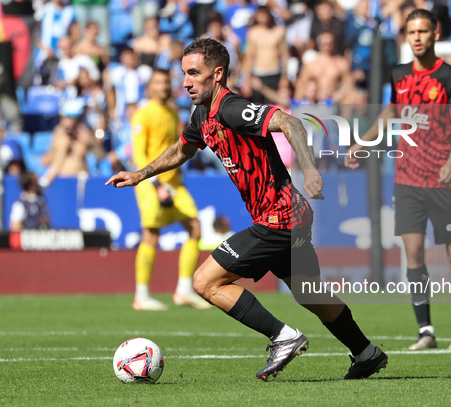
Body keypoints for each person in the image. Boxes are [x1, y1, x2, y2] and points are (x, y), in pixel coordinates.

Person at [106, 38, 388, 380]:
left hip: (280, 216)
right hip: (289, 216)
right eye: (184, 74)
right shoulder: (202, 115)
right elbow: (182, 150)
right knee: (309, 293)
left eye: (194, 73)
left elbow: (290, 123)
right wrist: (140, 174)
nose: (185, 82)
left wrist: (310, 170)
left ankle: (284, 337)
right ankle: (366, 352)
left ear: (218, 73)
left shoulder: (231, 108)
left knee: (205, 281)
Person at [345, 9, 451, 350]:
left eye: (422, 31)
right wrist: (362, 142)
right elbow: (391, 113)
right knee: (414, 255)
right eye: (411, 32)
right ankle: (426, 331)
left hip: (445, 179)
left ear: (435, 34)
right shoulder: (400, 75)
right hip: (407, 180)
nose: (416, 37)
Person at [127, 68, 211, 311]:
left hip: (174, 183)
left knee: (195, 228)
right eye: (159, 83)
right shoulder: (143, 115)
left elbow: (179, 147)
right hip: (151, 183)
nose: (163, 87)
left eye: (166, 82)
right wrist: (154, 183)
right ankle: (141, 295)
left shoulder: (173, 112)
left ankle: (184, 291)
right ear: (150, 87)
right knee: (151, 234)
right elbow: (139, 154)